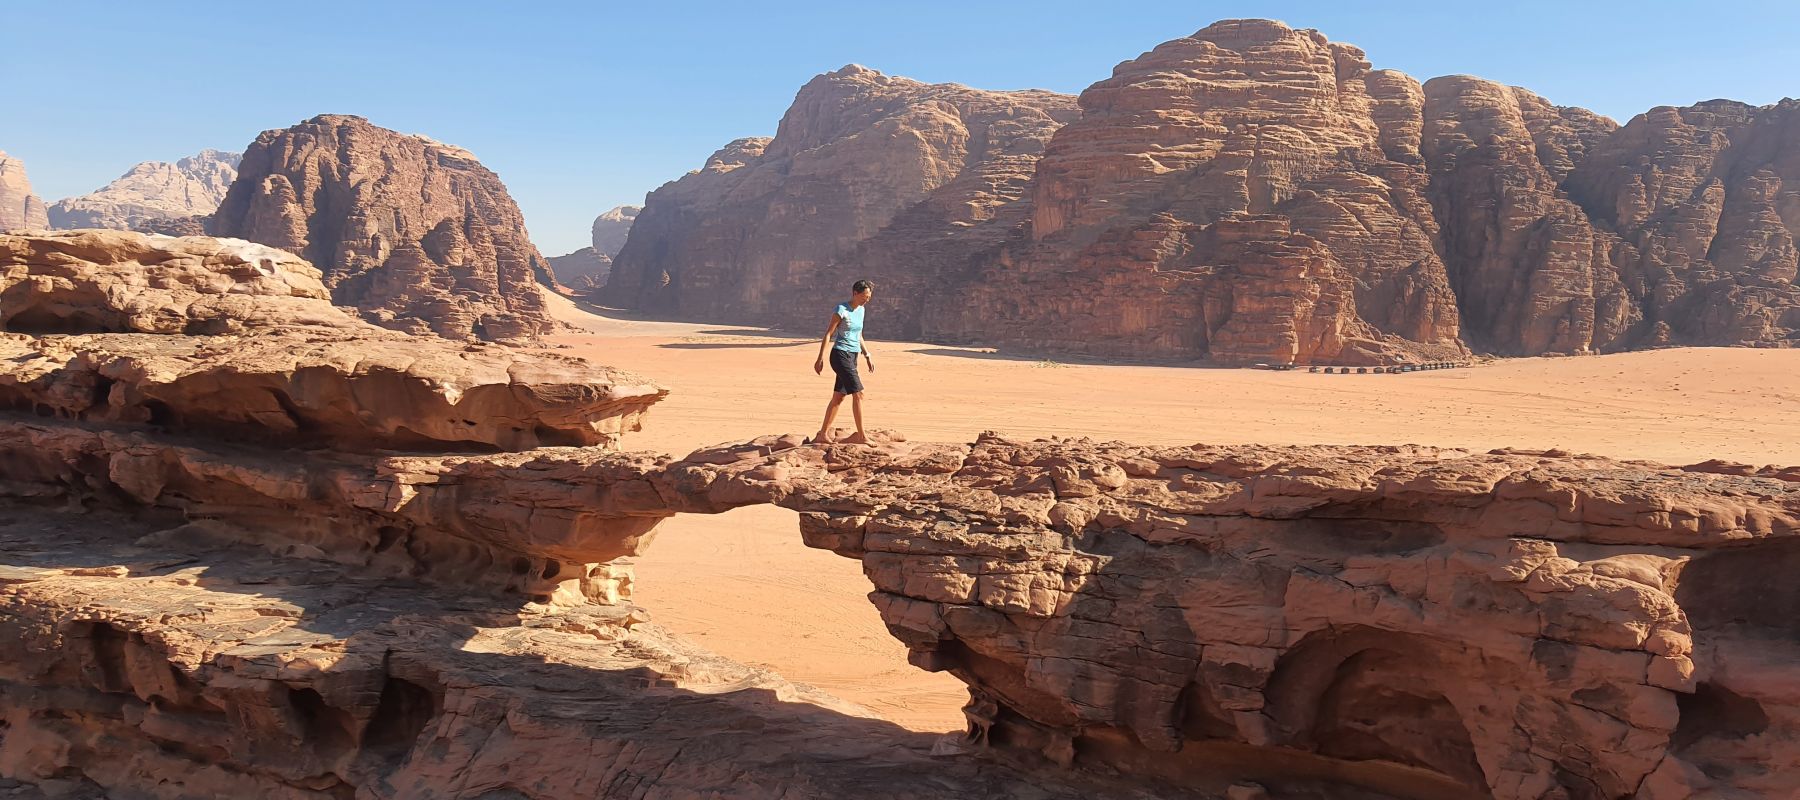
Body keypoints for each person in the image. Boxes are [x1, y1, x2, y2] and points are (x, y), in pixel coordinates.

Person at [813, 279, 875, 444]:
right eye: (865, 296)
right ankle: (861, 436)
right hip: (840, 355)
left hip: (853, 356)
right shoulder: (841, 310)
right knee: (859, 393)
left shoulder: (861, 310)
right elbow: (828, 334)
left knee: (839, 396)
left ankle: (823, 434)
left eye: (869, 297)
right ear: (855, 293)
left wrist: (867, 355)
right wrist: (820, 358)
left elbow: (859, 335)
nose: (867, 300)